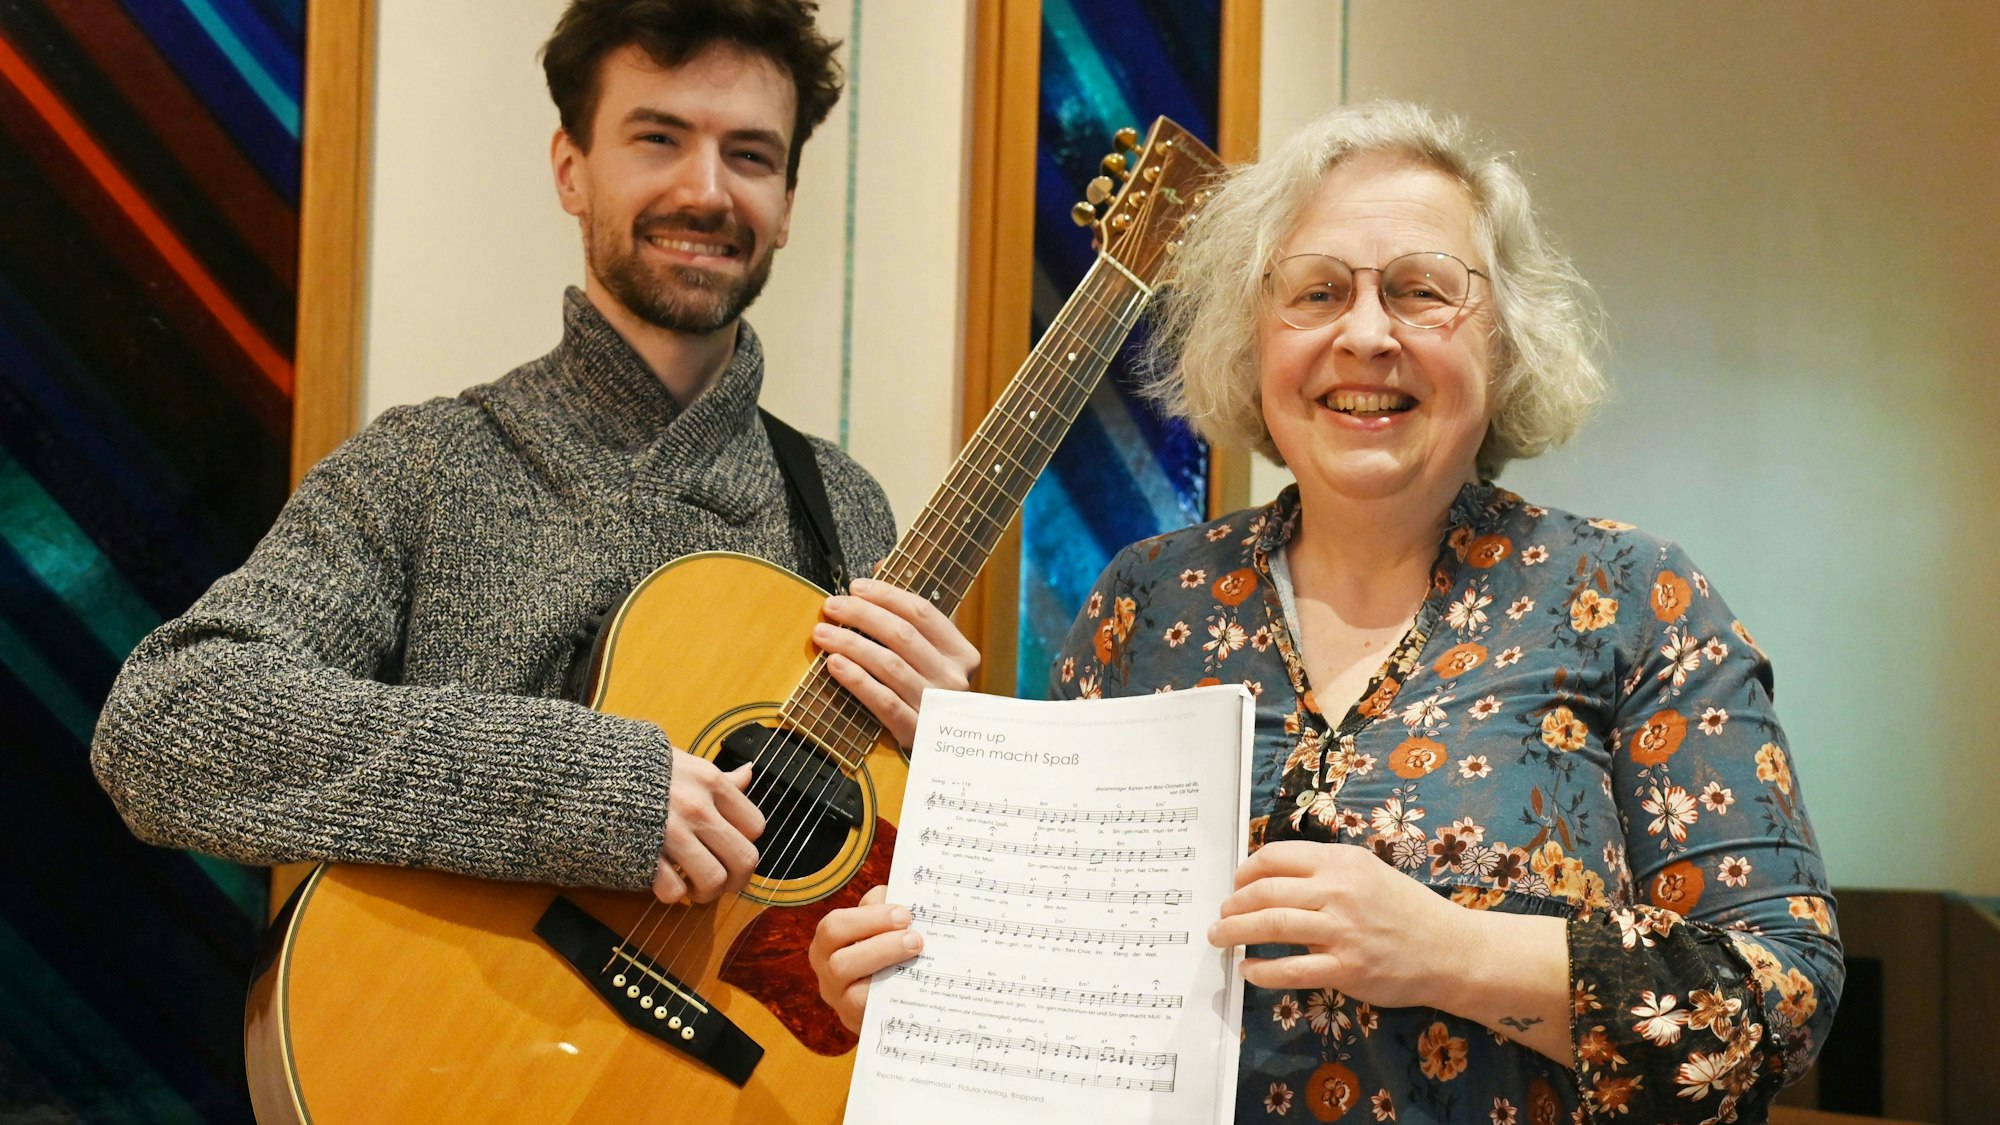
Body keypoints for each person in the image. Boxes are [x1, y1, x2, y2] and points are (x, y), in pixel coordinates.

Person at [811, 100, 1840, 1121]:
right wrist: (922, 984)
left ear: (1504, 342)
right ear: (1251, 340)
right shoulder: (1146, 599)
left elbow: (1782, 998)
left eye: (1421, 291)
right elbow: (1069, 979)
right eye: (1316, 292)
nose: (1366, 335)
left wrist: (1451, 950)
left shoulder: (1631, 596)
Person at [91, 0, 977, 910]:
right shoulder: (423, 464)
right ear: (571, 170)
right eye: (659, 139)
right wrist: (595, 788)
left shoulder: (843, 506)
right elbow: (164, 724)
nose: (708, 192)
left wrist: (955, 762)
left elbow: (874, 894)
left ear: (786, 203)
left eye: (750, 155)